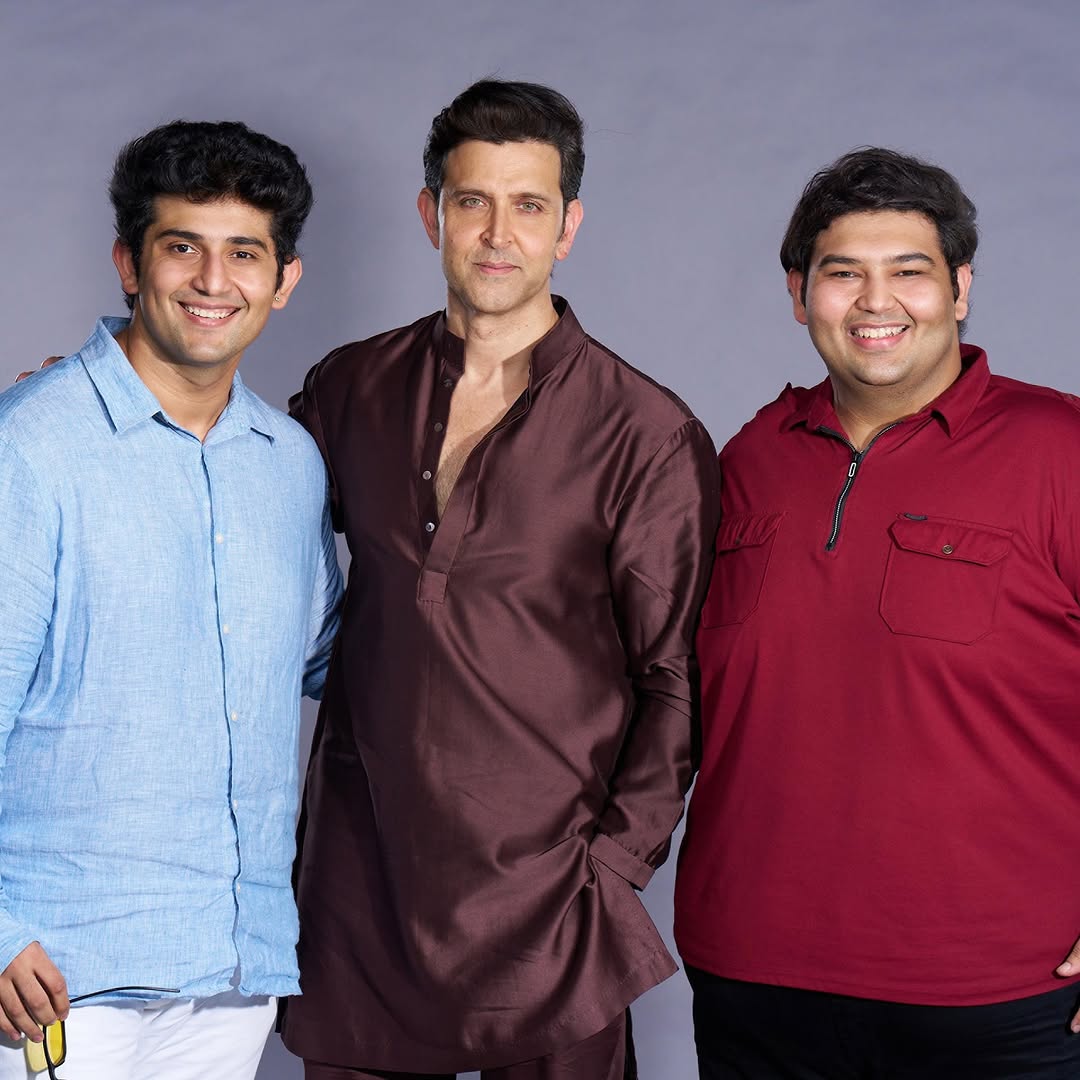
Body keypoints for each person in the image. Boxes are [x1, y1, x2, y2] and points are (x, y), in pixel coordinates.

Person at [280, 79, 720, 1079]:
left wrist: (614, 867)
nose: (496, 233)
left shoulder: (645, 433)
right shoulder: (353, 386)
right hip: (364, 880)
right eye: (472, 200)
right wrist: (117, 406)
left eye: (528, 205)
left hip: (549, 894)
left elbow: (674, 680)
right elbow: (237, 504)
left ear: (568, 226)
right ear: (430, 212)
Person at [674, 147, 1080, 1078]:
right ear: (798, 293)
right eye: (843, 273)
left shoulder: (1061, 449)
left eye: (909, 271)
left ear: (960, 288)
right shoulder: (746, 460)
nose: (875, 302)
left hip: (1005, 996)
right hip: (752, 980)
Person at [0, 120, 342, 1080]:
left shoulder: (290, 465)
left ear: (285, 280)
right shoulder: (31, 449)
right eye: (181, 246)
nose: (212, 281)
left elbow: (337, 662)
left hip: (231, 969)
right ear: (129, 262)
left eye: (245, 253)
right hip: (55, 972)